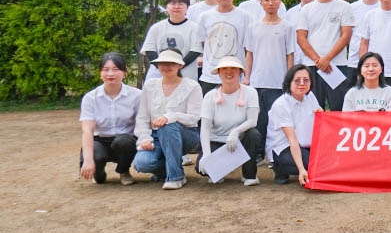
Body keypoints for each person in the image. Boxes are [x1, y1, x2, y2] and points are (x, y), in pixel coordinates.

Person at [131, 48, 203, 189]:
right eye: (163, 63)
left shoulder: (192, 86)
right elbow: (142, 117)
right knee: (141, 164)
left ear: (180, 65)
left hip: (185, 135)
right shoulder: (150, 85)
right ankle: (171, 168)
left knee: (167, 125)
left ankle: (176, 177)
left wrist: (170, 116)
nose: (167, 67)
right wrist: (144, 138)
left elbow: (194, 118)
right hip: (155, 136)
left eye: (172, 63)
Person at [196, 56, 262, 185]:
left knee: (253, 134)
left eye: (233, 68)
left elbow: (252, 121)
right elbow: (205, 128)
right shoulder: (210, 96)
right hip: (217, 141)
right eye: (224, 68)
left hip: (240, 140)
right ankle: (219, 170)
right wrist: (207, 155)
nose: (229, 72)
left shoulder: (251, 92)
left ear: (240, 72)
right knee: (201, 167)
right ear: (219, 73)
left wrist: (235, 132)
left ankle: (249, 175)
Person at [296, 0, 355, 110]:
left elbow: (346, 35)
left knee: (338, 107)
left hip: (337, 65)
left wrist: (327, 59)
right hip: (312, 65)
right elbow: (301, 38)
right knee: (313, 109)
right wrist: (318, 60)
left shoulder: (344, 7)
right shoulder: (306, 9)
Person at [244, 0, 295, 150]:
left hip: (278, 82)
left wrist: (289, 80)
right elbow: (249, 54)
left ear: (280, 2)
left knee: (276, 119)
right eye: (266, 0)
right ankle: (258, 152)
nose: (270, 3)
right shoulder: (253, 27)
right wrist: (247, 77)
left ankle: (275, 151)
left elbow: (290, 55)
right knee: (259, 119)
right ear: (261, 3)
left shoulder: (287, 27)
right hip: (257, 81)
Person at [78, 52, 140, 185]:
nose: (110, 74)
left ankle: (124, 171)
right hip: (100, 140)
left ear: (124, 73)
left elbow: (141, 124)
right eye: (105, 70)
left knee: (124, 142)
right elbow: (87, 130)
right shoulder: (90, 98)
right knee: (97, 166)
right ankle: (99, 174)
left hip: (125, 140)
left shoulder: (136, 95)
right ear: (100, 73)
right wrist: (88, 160)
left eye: (116, 69)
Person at [197, 0, 252, 95]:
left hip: (236, 73)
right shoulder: (205, 16)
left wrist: (247, 74)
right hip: (210, 75)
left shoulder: (245, 17)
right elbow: (202, 42)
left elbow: (248, 48)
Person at [267, 64, 321, 185]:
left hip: (305, 143)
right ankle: (280, 168)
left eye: (306, 80)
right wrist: (301, 170)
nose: (302, 83)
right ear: (289, 82)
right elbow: (292, 140)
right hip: (283, 147)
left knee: (325, 160)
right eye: (297, 80)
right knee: (312, 164)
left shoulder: (310, 97)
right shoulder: (281, 105)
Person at [141, 0, 201, 81]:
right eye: (173, 4)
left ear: (187, 7)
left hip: (185, 76)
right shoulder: (156, 28)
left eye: (181, 4)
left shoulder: (195, 28)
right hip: (158, 76)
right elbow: (149, 50)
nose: (176, 7)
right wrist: (163, 67)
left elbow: (195, 51)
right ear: (166, 7)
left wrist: (177, 67)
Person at [346, 0, 380, 74]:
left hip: (378, 61)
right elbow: (346, 34)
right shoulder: (351, 8)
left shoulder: (383, 7)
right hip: (354, 62)